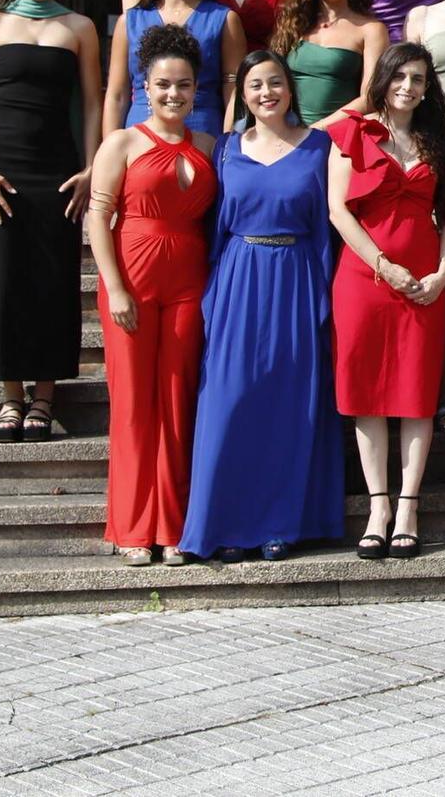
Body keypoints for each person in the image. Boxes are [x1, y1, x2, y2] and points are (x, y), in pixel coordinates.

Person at [178, 52, 345, 563]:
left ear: (291, 90)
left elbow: (326, 228)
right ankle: (222, 522)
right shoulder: (226, 149)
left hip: (295, 280)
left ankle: (280, 524)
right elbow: (210, 227)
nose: (267, 92)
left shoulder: (319, 147)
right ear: (242, 95)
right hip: (238, 281)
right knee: (229, 402)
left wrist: (322, 299)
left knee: (287, 407)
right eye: (256, 85)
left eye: (276, 83)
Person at [0, 0, 102, 446]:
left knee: (52, 280)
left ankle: (45, 395)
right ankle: (11, 396)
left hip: (58, 173)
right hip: (1, 172)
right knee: (2, 283)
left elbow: (91, 103)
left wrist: (90, 168)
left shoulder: (79, 27)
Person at [86, 23, 218, 566]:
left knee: (176, 401)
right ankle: (133, 525)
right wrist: (114, 286)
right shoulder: (121, 141)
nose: (173, 95)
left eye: (183, 86)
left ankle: (172, 525)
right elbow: (97, 217)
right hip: (132, 280)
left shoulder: (209, 144)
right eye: (164, 85)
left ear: (195, 89)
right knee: (136, 406)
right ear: (145, 86)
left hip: (189, 283)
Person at [327, 43, 445, 559]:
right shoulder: (354, 132)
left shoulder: (437, 140)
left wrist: (443, 272)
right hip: (364, 280)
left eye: (419, 79)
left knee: (417, 391)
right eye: (400, 76)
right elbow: (339, 210)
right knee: (367, 394)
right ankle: (378, 506)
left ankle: (409, 505)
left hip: (424, 282)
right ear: (382, 79)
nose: (408, 86)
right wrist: (384, 265)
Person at [104, 0, 245, 137]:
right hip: (139, 138)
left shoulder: (225, 19)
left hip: (204, 135)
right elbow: (117, 95)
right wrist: (110, 149)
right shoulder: (129, 21)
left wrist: (229, 146)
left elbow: (234, 92)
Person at [272, 0, 388, 126]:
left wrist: (318, 130)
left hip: (338, 140)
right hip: (287, 134)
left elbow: (370, 99)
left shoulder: (372, 30)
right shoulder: (292, 22)